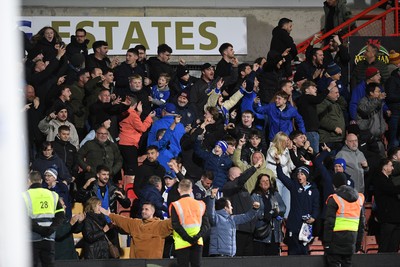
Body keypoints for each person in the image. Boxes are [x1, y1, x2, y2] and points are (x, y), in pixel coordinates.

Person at [99, 202, 173, 258]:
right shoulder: (135, 224)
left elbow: (172, 222)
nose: (143, 211)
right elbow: (124, 220)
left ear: (153, 212)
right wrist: (110, 215)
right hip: (136, 263)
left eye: (146, 209)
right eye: (143, 209)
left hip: (152, 263)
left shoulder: (159, 225)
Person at [276, 162, 320, 255]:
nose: (299, 176)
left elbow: (316, 206)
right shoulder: (294, 186)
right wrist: (278, 164)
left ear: (306, 176)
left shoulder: (314, 190)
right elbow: (281, 176)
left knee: (304, 250)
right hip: (293, 224)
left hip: (306, 226)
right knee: (293, 251)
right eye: (298, 174)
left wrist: (314, 217)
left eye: (302, 174)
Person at [23, 171, 65, 267]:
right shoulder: (53, 195)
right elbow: (60, 215)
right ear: (41, 181)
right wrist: (51, 229)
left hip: (32, 238)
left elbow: (24, 218)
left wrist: (39, 230)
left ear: (28, 181)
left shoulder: (24, 196)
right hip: (49, 237)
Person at [323, 172, 365, 267]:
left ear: (334, 185)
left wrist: (327, 242)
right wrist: (358, 243)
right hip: (351, 239)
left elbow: (329, 223)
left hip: (335, 239)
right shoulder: (359, 199)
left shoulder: (334, 199)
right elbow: (362, 224)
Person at [207, 188, 260, 257]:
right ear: (225, 208)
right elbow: (210, 212)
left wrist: (254, 209)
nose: (232, 207)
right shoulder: (216, 218)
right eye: (230, 205)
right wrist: (212, 198)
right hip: (217, 255)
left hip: (230, 255)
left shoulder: (232, 219)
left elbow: (246, 217)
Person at [169, 179, 210, 267]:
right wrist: (196, 237)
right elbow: (206, 225)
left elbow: (176, 225)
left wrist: (188, 239)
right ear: (191, 190)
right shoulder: (201, 204)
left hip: (182, 242)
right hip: (197, 241)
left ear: (178, 190)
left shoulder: (176, 205)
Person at [222, 166, 259, 256]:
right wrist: (254, 167)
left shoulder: (243, 189)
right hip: (238, 230)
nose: (243, 176)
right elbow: (240, 180)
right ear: (231, 177)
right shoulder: (228, 187)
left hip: (249, 231)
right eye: (240, 175)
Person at [118, 96, 155, 179]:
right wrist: (149, 118)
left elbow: (132, 124)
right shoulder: (132, 114)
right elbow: (142, 128)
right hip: (129, 144)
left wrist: (139, 112)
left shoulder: (124, 112)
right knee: (132, 169)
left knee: (125, 167)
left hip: (122, 142)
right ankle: (129, 189)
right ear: (136, 104)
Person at [251, 173, 286, 256]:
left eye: (267, 180)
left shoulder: (275, 194)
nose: (266, 182)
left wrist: (275, 211)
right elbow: (253, 213)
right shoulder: (255, 196)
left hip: (274, 232)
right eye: (263, 181)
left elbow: (283, 207)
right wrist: (264, 215)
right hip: (261, 233)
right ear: (259, 183)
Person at [373, 158, 400, 253]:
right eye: (391, 165)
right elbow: (390, 190)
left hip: (395, 218)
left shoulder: (388, 179)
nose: (392, 168)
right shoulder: (379, 179)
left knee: (394, 244)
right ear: (384, 167)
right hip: (387, 217)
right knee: (385, 244)